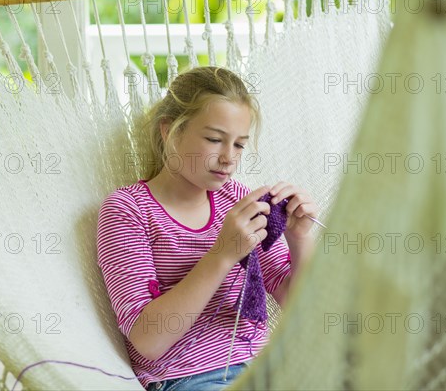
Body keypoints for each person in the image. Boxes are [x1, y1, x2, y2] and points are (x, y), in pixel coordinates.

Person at [96, 66, 319, 391]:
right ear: (169, 131)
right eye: (215, 139)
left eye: (240, 145)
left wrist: (300, 239)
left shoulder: (240, 200)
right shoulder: (128, 210)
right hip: (190, 377)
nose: (229, 158)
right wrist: (222, 255)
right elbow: (148, 338)